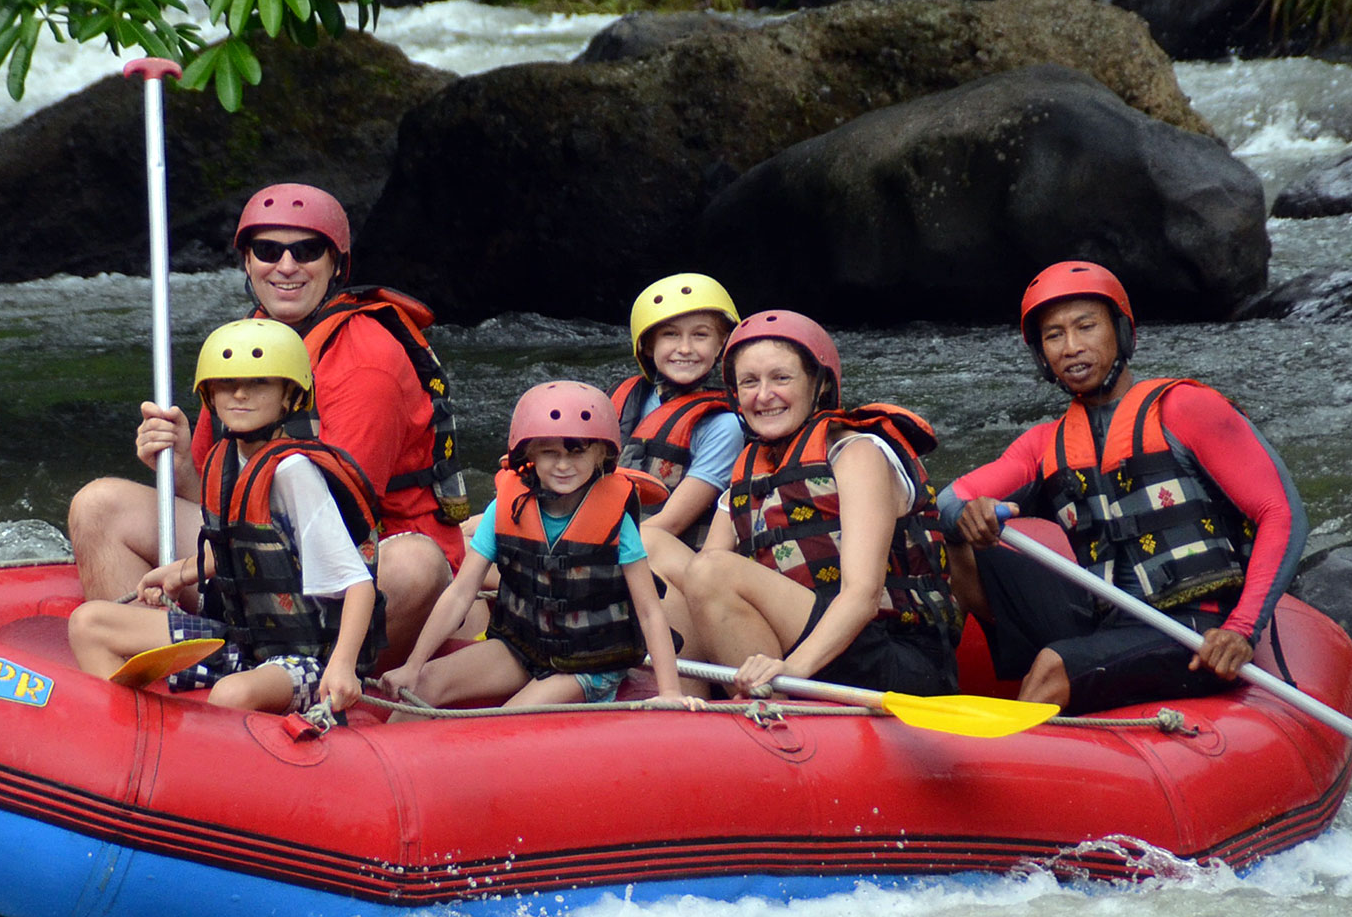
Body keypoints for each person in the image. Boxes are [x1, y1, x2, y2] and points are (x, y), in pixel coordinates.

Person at [65, 183, 460, 658]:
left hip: (356, 558)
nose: (286, 267)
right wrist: (181, 465)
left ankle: (295, 671)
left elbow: (335, 521)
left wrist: (195, 567)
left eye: (307, 250)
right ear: (248, 263)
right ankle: (167, 668)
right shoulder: (244, 346)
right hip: (262, 551)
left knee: (415, 565)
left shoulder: (368, 360)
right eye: (268, 250)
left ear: (337, 264)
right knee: (98, 506)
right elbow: (217, 504)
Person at [939, 260, 1308, 712]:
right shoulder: (1043, 444)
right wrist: (967, 515)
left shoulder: (1185, 408)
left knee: (1055, 665)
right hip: (1106, 621)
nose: (1071, 347)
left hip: (1194, 629)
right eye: (1053, 336)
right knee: (947, 545)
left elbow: (1281, 512)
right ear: (1041, 355)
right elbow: (949, 501)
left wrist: (1242, 628)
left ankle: (1015, 756)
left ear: (1121, 332)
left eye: (1086, 327)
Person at [66, 320, 382, 716]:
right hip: (238, 640)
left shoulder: (294, 472)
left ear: (289, 396)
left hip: (304, 660)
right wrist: (181, 573)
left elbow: (357, 583)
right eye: (225, 384)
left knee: (232, 694)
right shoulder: (225, 459)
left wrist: (342, 665)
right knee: (89, 623)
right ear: (209, 395)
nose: (240, 394)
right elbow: (249, 549)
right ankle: (132, 741)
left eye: (260, 383)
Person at [675, 310, 962, 698]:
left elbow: (862, 596)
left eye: (781, 378)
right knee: (671, 564)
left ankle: (776, 720)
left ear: (819, 384)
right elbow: (699, 584)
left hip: (896, 656)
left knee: (711, 571)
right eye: (749, 382)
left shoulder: (858, 453)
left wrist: (791, 670)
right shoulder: (747, 471)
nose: (763, 395)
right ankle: (688, 705)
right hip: (808, 652)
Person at [381, 381, 690, 709]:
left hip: (587, 665)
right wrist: (413, 666)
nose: (563, 465)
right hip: (521, 646)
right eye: (550, 452)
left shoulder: (616, 520)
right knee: (424, 686)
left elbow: (648, 610)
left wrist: (669, 691)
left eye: (577, 451)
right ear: (528, 454)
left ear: (601, 453)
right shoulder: (505, 509)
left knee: (507, 720)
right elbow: (460, 592)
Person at [609, 272, 746, 584]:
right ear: (647, 345)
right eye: (671, 335)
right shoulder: (623, 399)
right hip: (617, 545)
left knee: (650, 541)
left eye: (700, 335)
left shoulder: (725, 425)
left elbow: (667, 524)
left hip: (675, 565)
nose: (685, 348)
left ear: (723, 343)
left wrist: (577, 548)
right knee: (480, 531)